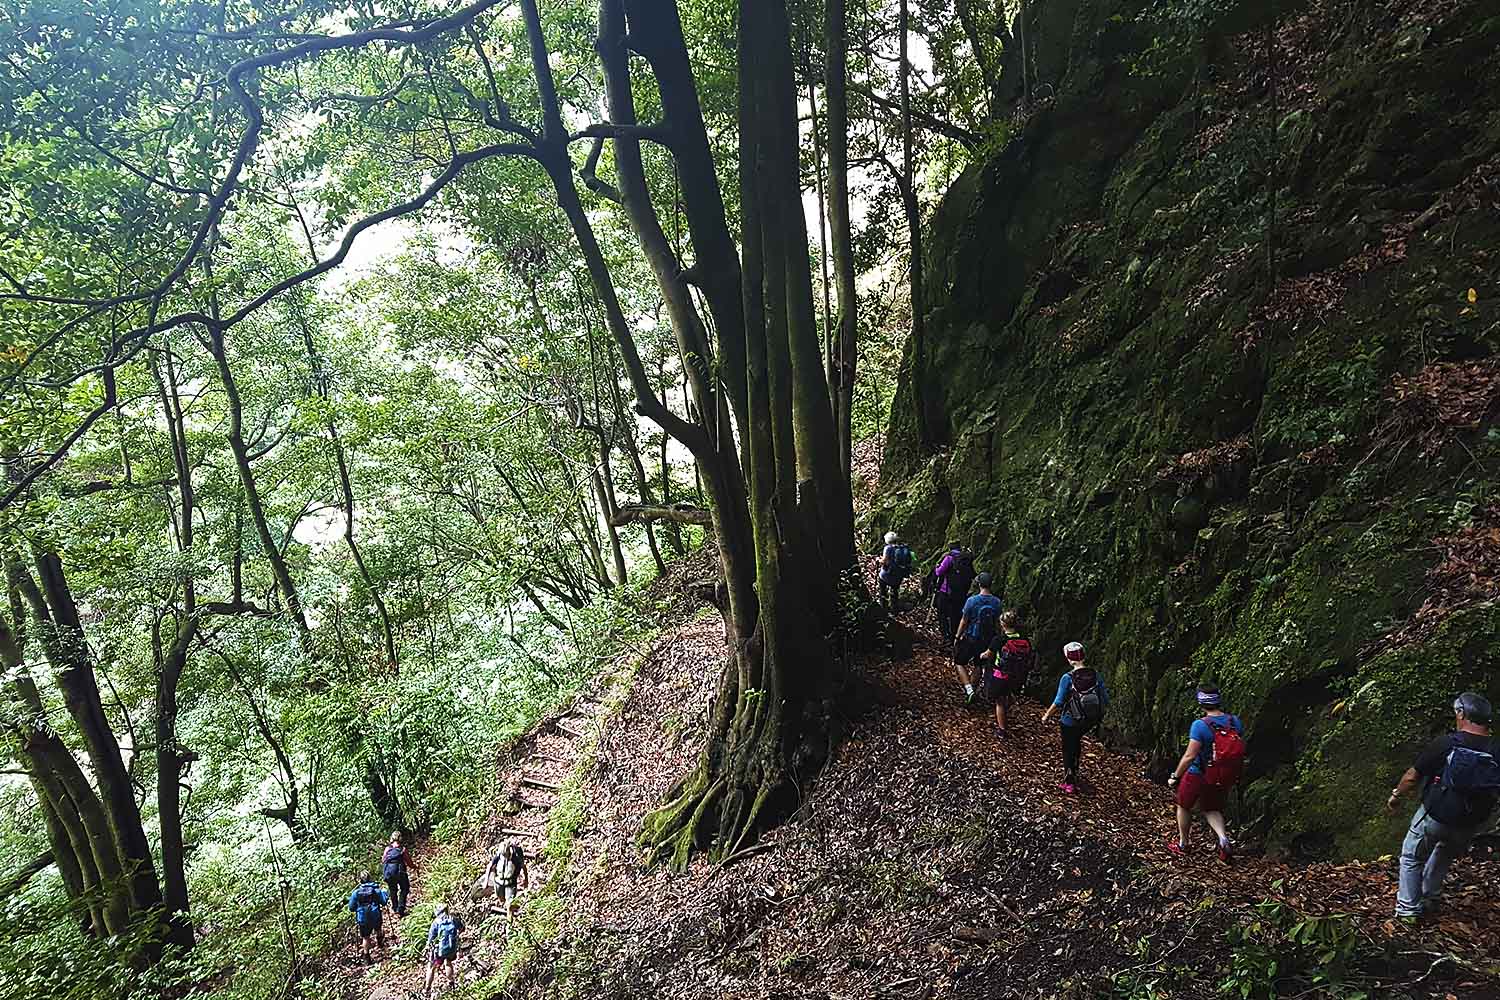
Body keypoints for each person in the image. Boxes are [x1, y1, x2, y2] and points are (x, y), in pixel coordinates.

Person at [1387, 692, 1498, 922]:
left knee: (1411, 856)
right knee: (1444, 852)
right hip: (1470, 823)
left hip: (1436, 816)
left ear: (1462, 714)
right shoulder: (1496, 750)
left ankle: (1408, 910)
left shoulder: (1447, 743)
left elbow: (1412, 776)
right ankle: (1429, 898)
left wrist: (1396, 796)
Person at [1166, 684, 1245, 862]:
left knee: (1184, 805)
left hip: (1198, 773)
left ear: (1200, 702)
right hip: (1223, 775)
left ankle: (1183, 844)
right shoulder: (1234, 722)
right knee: (1212, 808)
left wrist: (1175, 776)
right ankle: (1223, 839)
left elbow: (1189, 755)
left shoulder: (1200, 726)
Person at [1039, 641, 1108, 794]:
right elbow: (1105, 698)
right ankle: (1074, 772)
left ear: (1070, 660)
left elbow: (1058, 701)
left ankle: (1069, 782)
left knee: (1068, 749)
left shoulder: (1067, 678)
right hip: (1088, 720)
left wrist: (1046, 716)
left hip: (1070, 720)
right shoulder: (1096, 675)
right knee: (1076, 744)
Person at [978, 610, 1034, 738]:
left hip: (1001, 674)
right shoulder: (1024, 639)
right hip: (1018, 674)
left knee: (999, 701)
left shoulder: (1000, 639)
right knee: (1008, 695)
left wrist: (981, 655)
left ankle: (1002, 729)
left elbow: (988, 654)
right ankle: (1007, 709)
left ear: (1002, 624)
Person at [952, 572, 1002, 704]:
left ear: (979, 584)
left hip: (971, 637)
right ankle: (972, 690)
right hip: (987, 639)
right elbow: (998, 623)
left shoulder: (972, 601)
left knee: (959, 662)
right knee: (978, 665)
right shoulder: (997, 602)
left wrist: (957, 637)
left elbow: (964, 620)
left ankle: (969, 690)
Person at [932, 542, 975, 640]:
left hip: (946, 590)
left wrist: (937, 567)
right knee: (955, 614)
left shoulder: (949, 558)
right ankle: (954, 635)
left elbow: (939, 572)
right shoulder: (967, 559)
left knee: (942, 613)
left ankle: (945, 635)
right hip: (961, 592)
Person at [423, 902, 466, 998]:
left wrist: (428, 947)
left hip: (438, 951)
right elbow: (462, 928)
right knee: (448, 963)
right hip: (451, 948)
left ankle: (427, 989)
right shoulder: (453, 919)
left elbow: (431, 938)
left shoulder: (436, 922)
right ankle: (451, 984)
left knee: (432, 967)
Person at [484, 841, 530, 928]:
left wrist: (526, 880)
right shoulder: (498, 857)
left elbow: (524, 867)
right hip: (499, 882)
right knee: (501, 899)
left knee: (509, 904)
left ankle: (509, 925)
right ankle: (509, 906)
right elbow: (489, 867)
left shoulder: (515, 858)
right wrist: (486, 881)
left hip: (511, 883)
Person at [347, 871, 389, 963]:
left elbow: (351, 908)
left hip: (363, 918)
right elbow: (384, 902)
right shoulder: (376, 890)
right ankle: (380, 943)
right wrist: (385, 893)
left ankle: (367, 956)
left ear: (360, 881)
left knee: (366, 937)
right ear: (370, 878)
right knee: (378, 929)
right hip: (375, 915)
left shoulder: (356, 893)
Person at [381, 831, 416, 916]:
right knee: (405, 888)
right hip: (400, 872)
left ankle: (395, 908)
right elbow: (409, 862)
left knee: (393, 890)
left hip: (389, 873)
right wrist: (415, 867)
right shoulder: (403, 849)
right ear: (400, 838)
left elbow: (383, 860)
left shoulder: (387, 849)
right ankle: (401, 907)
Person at [878, 531, 914, 611]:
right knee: (894, 591)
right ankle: (894, 607)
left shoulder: (888, 548)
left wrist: (879, 560)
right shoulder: (902, 548)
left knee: (882, 590)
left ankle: (884, 607)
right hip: (898, 575)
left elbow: (885, 562)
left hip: (887, 575)